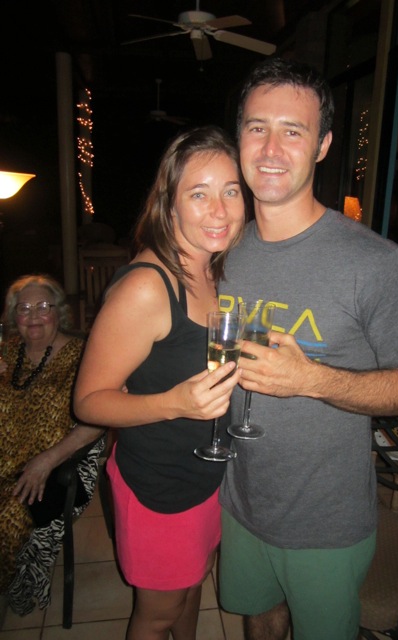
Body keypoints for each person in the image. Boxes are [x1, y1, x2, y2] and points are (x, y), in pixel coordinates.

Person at [217, 57, 398, 640]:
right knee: (259, 621)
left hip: (326, 522)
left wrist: (312, 379)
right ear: (239, 138)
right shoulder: (223, 250)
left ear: (323, 146)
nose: (271, 149)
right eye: (257, 127)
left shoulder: (375, 263)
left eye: (293, 131)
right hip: (240, 501)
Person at [73, 125, 246, 640]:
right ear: (169, 206)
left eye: (231, 191)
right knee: (156, 616)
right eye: (199, 194)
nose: (220, 210)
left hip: (205, 477)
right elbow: (88, 402)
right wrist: (175, 402)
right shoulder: (148, 287)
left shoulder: (213, 270)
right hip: (159, 487)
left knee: (192, 588)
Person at [0, 274, 104, 616]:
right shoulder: (5, 351)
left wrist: (47, 460)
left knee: (6, 519)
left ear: (59, 312)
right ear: (13, 315)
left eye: (43, 306)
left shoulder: (84, 356)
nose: (33, 316)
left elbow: (98, 419)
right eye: (24, 308)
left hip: (52, 467)